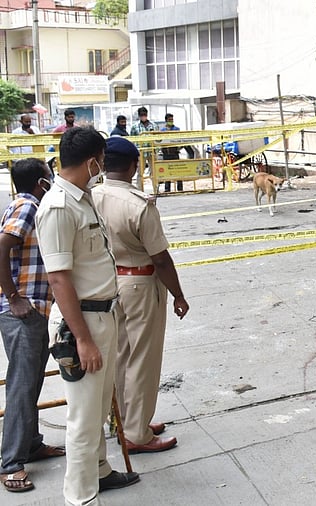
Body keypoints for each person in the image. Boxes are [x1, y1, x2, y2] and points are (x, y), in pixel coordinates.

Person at [34, 127, 140, 505]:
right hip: (81, 322)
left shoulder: (83, 198)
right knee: (83, 416)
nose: (102, 168)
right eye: (101, 161)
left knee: (98, 406)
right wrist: (82, 339)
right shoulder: (58, 207)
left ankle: (100, 471)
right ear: (93, 161)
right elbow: (59, 279)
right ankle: (80, 496)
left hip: (103, 315)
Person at [93, 137, 189, 454]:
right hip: (140, 283)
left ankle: (123, 422)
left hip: (109, 282)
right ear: (134, 165)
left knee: (120, 355)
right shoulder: (138, 205)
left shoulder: (92, 195)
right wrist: (178, 294)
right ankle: (137, 433)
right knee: (143, 360)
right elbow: (160, 258)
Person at [0, 158, 65, 494]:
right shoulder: (26, 207)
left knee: (32, 382)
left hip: (37, 308)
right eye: (49, 177)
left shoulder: (32, 207)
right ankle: (11, 463)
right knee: (22, 386)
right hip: (22, 311)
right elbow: (1, 247)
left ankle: (31, 443)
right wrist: (13, 297)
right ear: (42, 182)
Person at [159, 113, 184, 192]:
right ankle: (167, 189)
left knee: (178, 170)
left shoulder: (176, 129)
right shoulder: (162, 131)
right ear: (166, 120)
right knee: (167, 171)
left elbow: (180, 141)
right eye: (169, 120)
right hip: (166, 153)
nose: (171, 121)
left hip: (175, 153)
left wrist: (178, 148)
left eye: (172, 120)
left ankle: (180, 188)